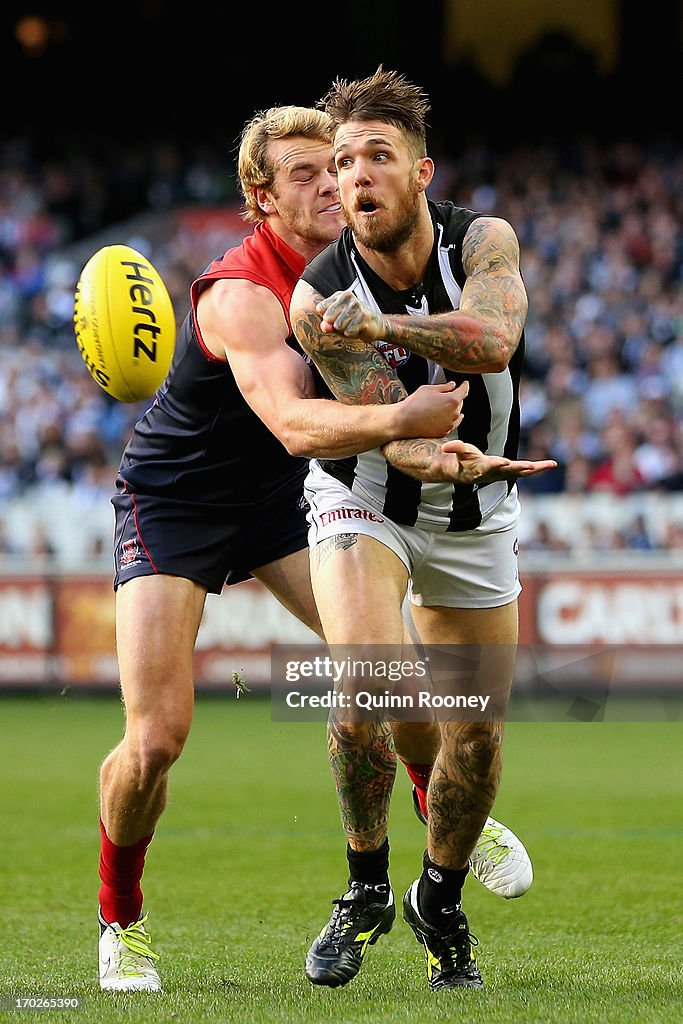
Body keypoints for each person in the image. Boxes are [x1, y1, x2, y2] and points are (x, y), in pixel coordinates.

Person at [96, 102, 543, 994]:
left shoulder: (358, 266)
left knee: (388, 672)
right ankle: (121, 921)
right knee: (157, 736)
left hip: (283, 497)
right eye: (303, 174)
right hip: (181, 499)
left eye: (332, 167)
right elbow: (298, 423)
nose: (332, 186)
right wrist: (402, 421)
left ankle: (441, 810)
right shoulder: (243, 293)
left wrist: (429, 447)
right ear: (259, 197)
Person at [290, 67, 556, 991]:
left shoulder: (481, 240)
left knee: (473, 737)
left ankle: (437, 896)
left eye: (376, 156)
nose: (352, 177)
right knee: (362, 684)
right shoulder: (317, 296)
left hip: (480, 504)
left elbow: (492, 341)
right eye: (340, 161)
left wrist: (390, 324)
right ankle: (364, 887)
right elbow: (384, 424)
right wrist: (426, 452)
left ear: (420, 172)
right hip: (367, 488)